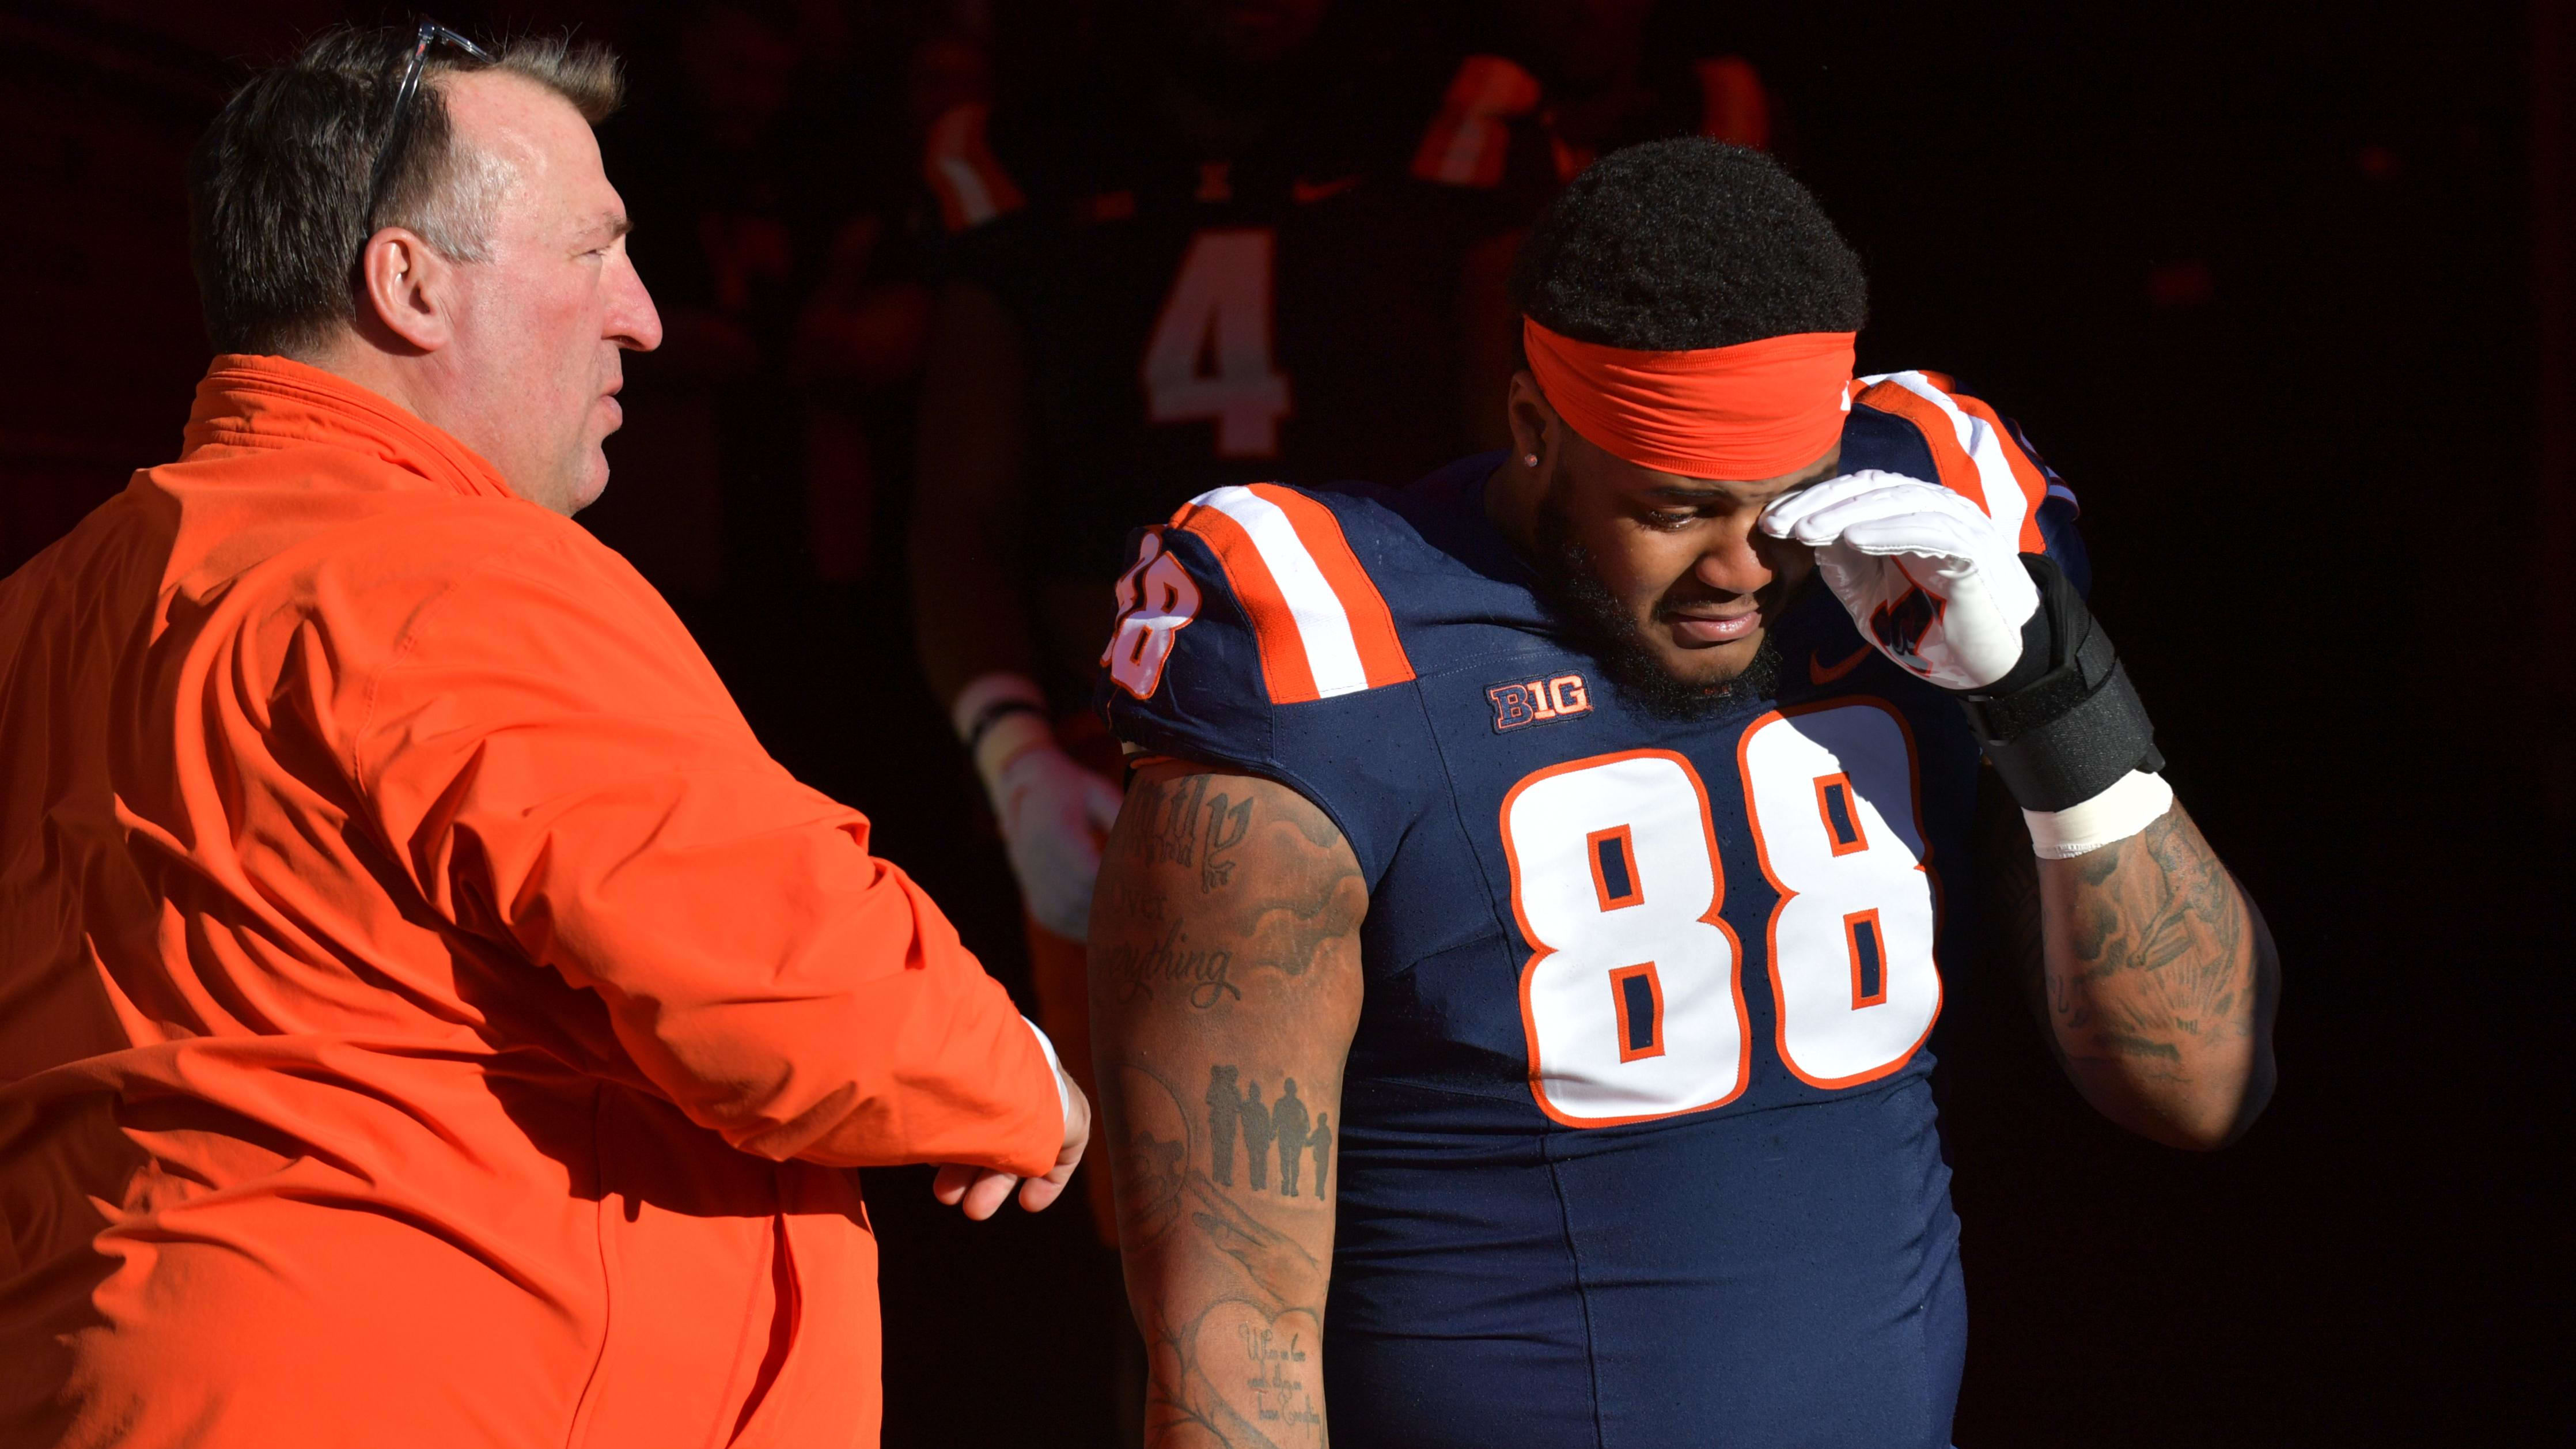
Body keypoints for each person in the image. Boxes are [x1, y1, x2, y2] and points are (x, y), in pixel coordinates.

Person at [1087, 139, 2278, 1448]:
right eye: (1676, 509)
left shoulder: (1917, 526)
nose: (1743, 570)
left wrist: (2052, 692)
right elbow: (1226, 1328)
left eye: (1783, 510)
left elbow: (2200, 1087)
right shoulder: (1327, 630)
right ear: (1533, 428)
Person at [0, 26, 1084, 1448]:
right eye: (592, 252)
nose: (641, 313)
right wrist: (1020, 1080)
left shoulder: (49, 602)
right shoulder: (444, 573)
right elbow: (789, 974)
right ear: (410, 286)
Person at [908, 1, 1540, 1244]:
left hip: (1416, 738)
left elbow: (1513, 457)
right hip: (1126, 750)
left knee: (1436, 1203)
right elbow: (958, 503)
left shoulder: (1451, 124)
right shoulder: (1026, 153)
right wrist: (1012, 751)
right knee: (1170, 1235)